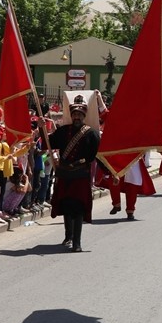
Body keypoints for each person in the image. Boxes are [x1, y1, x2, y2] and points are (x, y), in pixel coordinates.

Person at [48, 95, 100, 252]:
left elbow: (98, 156)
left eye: (80, 114)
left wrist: (111, 173)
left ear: (84, 116)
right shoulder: (63, 131)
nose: (77, 117)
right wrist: (42, 128)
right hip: (64, 174)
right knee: (66, 206)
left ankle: (77, 242)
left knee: (78, 208)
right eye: (75, 114)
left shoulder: (92, 134)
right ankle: (68, 236)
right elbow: (48, 142)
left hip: (80, 175)